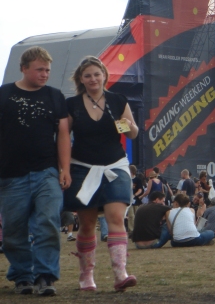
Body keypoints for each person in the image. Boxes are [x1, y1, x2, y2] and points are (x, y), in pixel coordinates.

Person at [63, 55, 139, 292]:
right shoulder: (71, 104)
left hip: (114, 166)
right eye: (88, 75)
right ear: (81, 79)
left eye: (97, 74)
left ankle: (120, 274)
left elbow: (133, 134)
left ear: (104, 75)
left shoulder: (118, 100)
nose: (93, 78)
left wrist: (127, 125)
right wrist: (64, 169)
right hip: (82, 167)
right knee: (86, 224)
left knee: (116, 218)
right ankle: (86, 275)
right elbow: (64, 137)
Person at [0, 46, 71, 295]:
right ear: (24, 68)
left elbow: (63, 134)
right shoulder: (3, 94)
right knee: (13, 230)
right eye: (39, 69)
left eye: (48, 70)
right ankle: (22, 276)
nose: (45, 74)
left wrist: (65, 169)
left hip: (46, 171)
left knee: (48, 222)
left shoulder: (54, 96)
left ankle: (45, 276)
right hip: (10, 174)